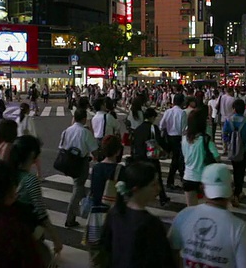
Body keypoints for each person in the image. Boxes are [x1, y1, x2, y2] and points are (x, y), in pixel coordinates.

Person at [169, 163, 246, 268]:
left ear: (202, 188)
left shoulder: (184, 216)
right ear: (231, 189)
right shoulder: (239, 229)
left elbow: (170, 252)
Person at [99, 161, 177, 267]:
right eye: (153, 185)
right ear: (136, 189)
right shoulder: (149, 223)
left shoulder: (115, 212)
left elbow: (105, 249)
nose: (158, 189)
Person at [9, 135, 62, 264]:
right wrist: (56, 238)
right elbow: (41, 212)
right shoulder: (30, 180)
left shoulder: (8, 173)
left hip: (9, 231)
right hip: (28, 233)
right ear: (33, 154)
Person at [85, 135, 125, 266]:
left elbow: (93, 191)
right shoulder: (120, 169)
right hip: (114, 215)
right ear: (118, 151)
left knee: (96, 255)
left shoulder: (96, 168)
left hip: (96, 215)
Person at [58, 109, 99, 228]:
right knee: (78, 188)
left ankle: (84, 204)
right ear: (84, 119)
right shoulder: (85, 132)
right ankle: (70, 218)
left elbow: (61, 146)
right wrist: (98, 158)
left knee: (79, 187)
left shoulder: (67, 131)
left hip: (68, 162)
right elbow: (94, 150)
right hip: (81, 162)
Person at [131, 108, 170, 206]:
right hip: (151, 156)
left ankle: (138, 197)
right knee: (157, 177)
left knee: (140, 178)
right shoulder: (153, 128)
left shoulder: (138, 128)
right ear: (152, 117)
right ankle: (162, 198)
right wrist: (167, 149)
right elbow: (160, 141)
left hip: (139, 156)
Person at [182, 107, 220, 207]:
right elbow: (217, 158)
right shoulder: (205, 140)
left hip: (188, 177)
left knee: (191, 210)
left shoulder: (184, 139)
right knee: (206, 211)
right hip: (204, 179)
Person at [222, 99, 246, 207]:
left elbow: (224, 134)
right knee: (241, 171)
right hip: (243, 150)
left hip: (233, 150)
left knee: (235, 169)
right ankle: (238, 192)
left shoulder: (228, 120)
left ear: (234, 109)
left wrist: (229, 143)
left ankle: (236, 191)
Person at [159, 93, 187, 191]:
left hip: (169, 138)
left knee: (176, 160)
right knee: (177, 160)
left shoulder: (168, 111)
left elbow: (161, 125)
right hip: (178, 138)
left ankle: (177, 180)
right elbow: (184, 129)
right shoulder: (182, 113)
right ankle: (173, 181)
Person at [16, 103, 41, 176]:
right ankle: (39, 174)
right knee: (35, 158)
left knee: (23, 160)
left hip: (19, 141)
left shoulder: (18, 119)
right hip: (28, 141)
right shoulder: (29, 119)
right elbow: (33, 131)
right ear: (27, 110)